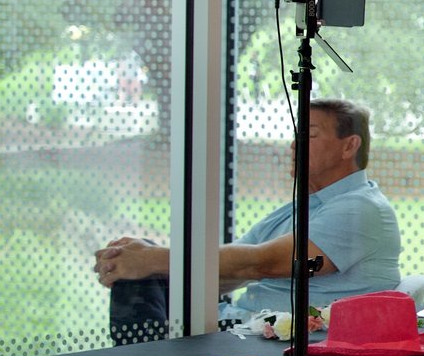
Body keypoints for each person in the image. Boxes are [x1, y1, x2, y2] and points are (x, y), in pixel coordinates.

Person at [93, 98, 402, 336]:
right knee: (138, 264)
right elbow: (231, 272)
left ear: (349, 146)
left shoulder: (361, 209)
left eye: (309, 134)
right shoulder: (298, 210)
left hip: (280, 344)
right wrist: (139, 264)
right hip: (242, 328)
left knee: (149, 262)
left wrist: (153, 259)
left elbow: (259, 263)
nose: (294, 144)